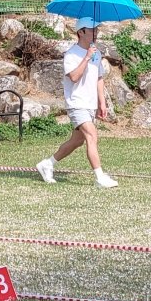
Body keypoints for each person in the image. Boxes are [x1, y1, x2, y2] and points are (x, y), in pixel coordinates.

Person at [36, 17, 118, 188]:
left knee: (77, 141)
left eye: (97, 30)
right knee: (92, 135)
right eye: (92, 30)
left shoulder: (97, 53)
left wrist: (102, 103)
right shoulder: (71, 54)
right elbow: (73, 77)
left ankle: (47, 164)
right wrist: (86, 58)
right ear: (81, 32)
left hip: (90, 104)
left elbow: (99, 78)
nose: (96, 33)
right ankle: (100, 177)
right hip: (77, 103)